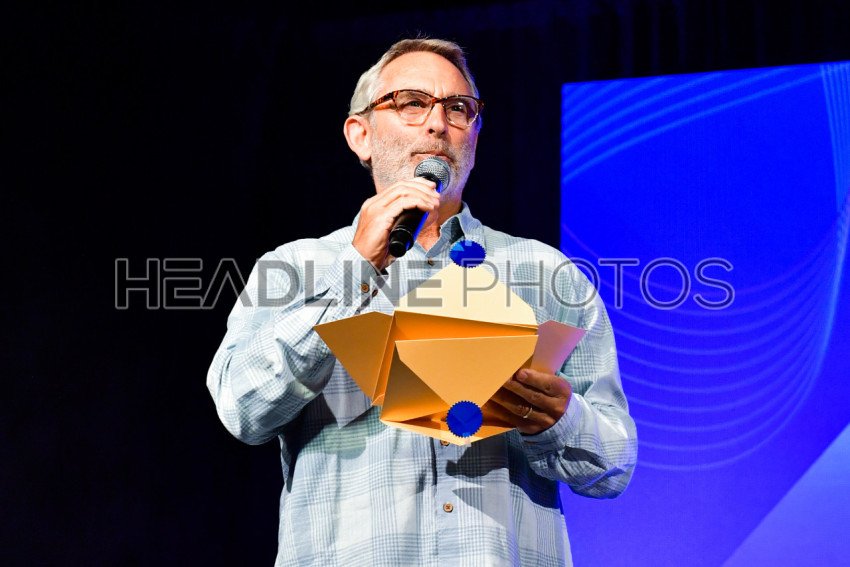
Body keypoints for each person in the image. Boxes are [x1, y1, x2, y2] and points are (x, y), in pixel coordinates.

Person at [207, 37, 637, 566]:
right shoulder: (294, 268)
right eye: (412, 103)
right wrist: (355, 274)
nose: (438, 124)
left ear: (475, 135)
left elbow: (614, 465)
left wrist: (558, 418)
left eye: (458, 108)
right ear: (360, 135)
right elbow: (243, 409)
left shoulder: (547, 273)